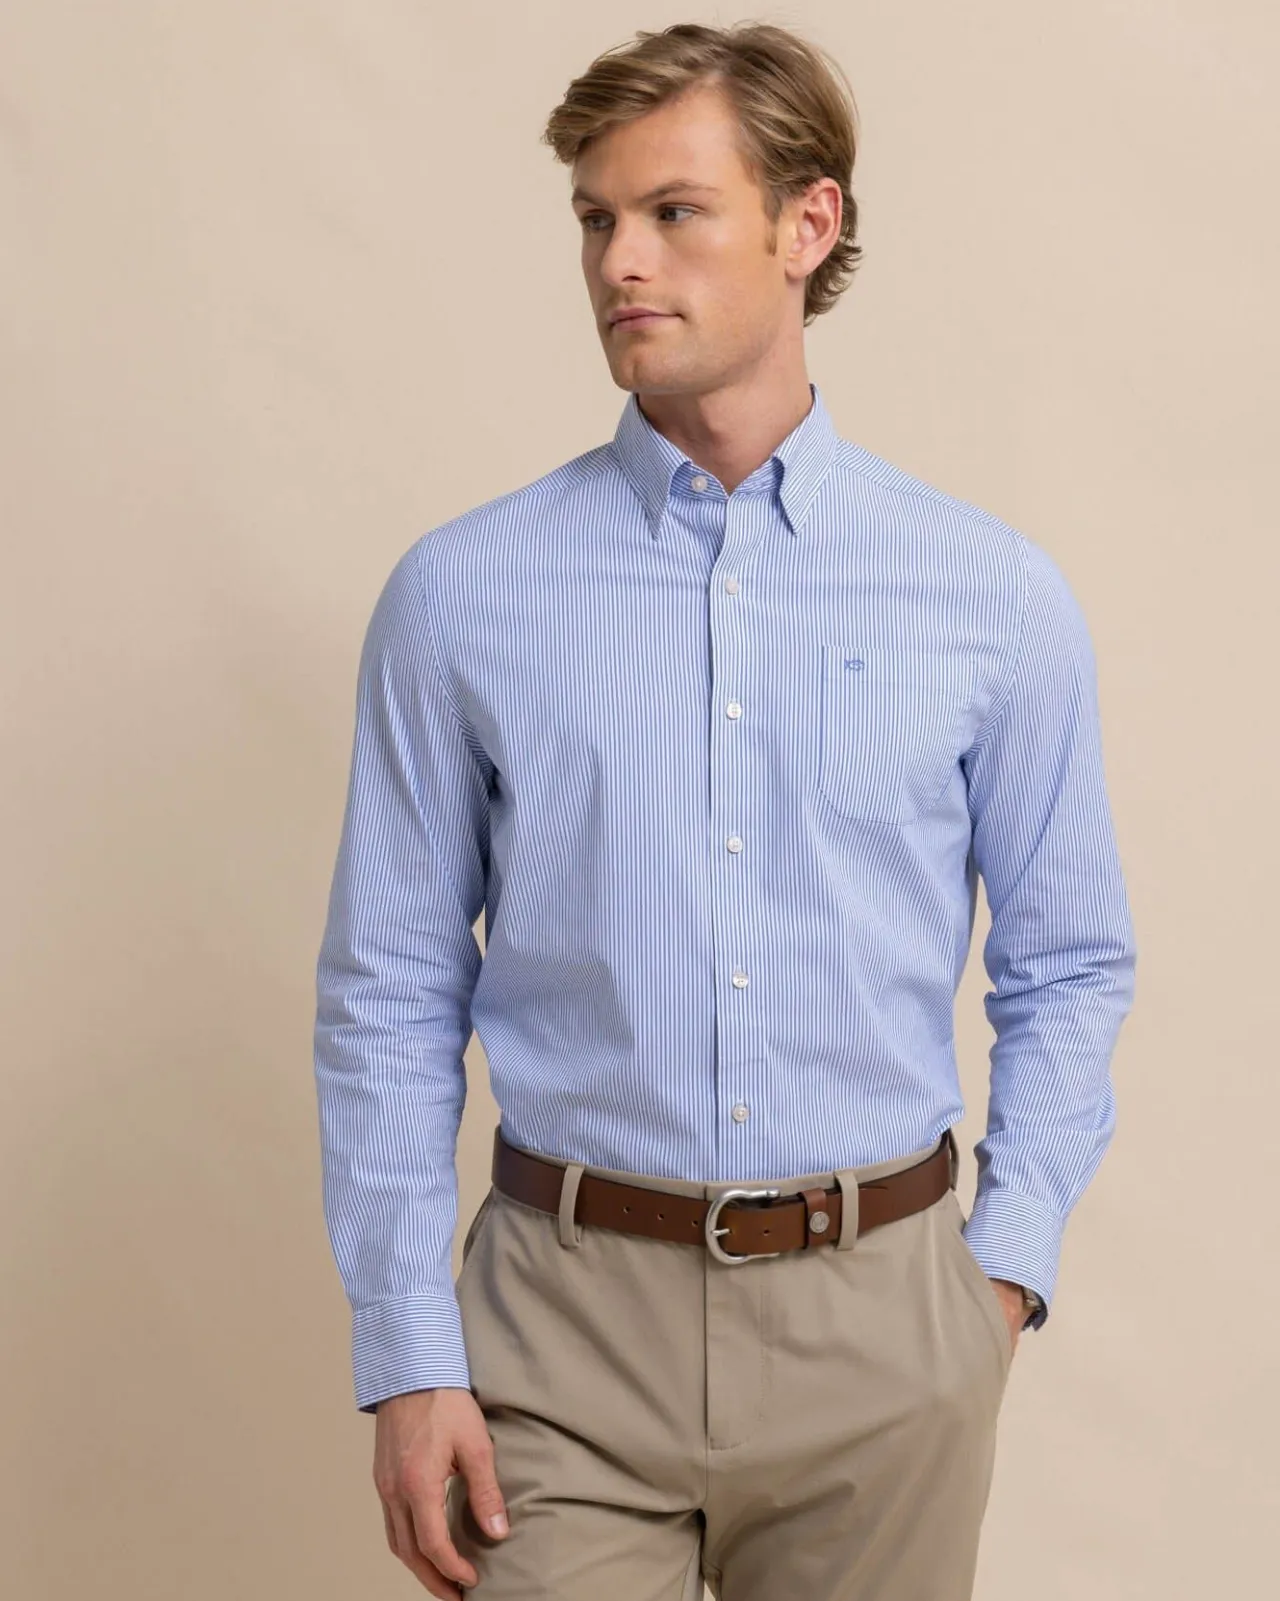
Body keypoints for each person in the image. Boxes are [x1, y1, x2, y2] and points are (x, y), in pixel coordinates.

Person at [312, 20, 1137, 1601]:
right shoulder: (462, 595)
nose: (619, 260)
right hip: (561, 1326)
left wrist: (1000, 1279)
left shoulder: (991, 596)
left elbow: (1071, 960)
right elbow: (388, 992)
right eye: (595, 218)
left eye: (673, 211)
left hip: (886, 1331)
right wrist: (406, 1354)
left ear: (807, 224)